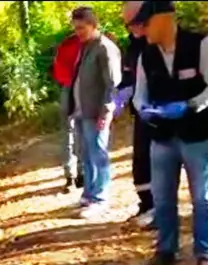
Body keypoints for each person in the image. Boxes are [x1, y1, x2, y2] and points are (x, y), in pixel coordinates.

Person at [131, 0, 208, 265]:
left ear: (164, 19)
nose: (142, 30)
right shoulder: (145, 56)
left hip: (198, 135)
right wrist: (146, 111)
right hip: (161, 137)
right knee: (162, 199)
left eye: (145, 23)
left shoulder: (202, 45)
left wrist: (192, 105)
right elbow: (140, 94)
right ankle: (165, 251)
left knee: (203, 197)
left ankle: (205, 255)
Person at [68, 6, 122, 218]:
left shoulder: (105, 48)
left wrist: (107, 111)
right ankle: (89, 194)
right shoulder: (87, 46)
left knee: (98, 154)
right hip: (83, 111)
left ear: (93, 25)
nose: (78, 32)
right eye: (75, 28)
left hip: (96, 112)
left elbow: (112, 84)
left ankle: (100, 198)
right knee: (87, 154)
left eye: (81, 28)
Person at [114, 1, 155, 228]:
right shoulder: (133, 46)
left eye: (135, 22)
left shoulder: (161, 42)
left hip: (161, 113)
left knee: (157, 160)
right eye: (127, 23)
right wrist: (121, 94)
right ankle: (146, 204)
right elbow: (128, 78)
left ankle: (159, 209)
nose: (131, 28)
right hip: (141, 112)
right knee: (140, 159)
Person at [52, 33, 84, 190]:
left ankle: (76, 174)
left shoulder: (94, 43)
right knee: (73, 132)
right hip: (73, 88)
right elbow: (59, 68)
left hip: (75, 87)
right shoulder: (69, 44)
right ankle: (75, 174)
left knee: (74, 132)